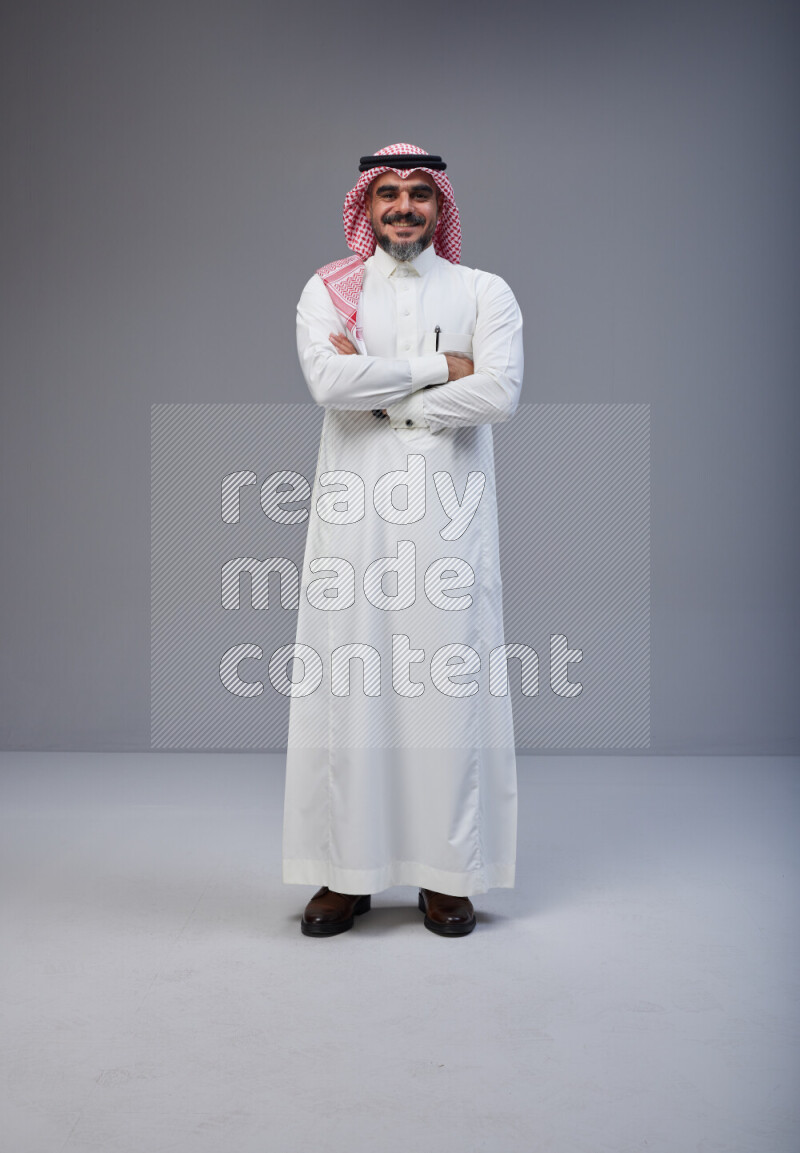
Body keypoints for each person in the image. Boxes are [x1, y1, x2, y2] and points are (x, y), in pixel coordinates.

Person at [282, 143, 524, 937]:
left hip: (449, 521)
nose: (403, 208)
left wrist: (387, 394)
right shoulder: (330, 292)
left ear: (440, 205)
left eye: (420, 194)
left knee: (444, 693)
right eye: (387, 194)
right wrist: (437, 368)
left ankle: (445, 875)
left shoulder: (485, 291)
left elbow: (498, 391)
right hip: (354, 518)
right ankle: (343, 875)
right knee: (351, 689)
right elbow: (328, 383)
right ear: (367, 205)